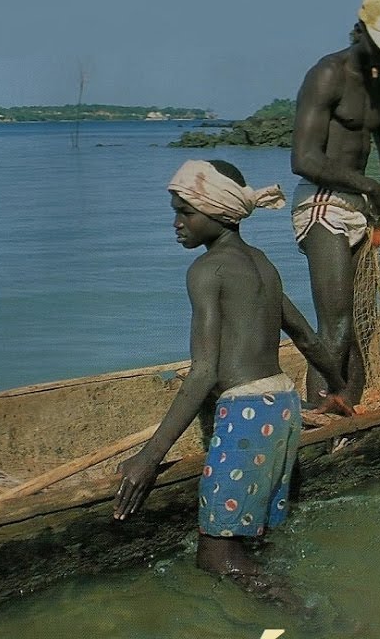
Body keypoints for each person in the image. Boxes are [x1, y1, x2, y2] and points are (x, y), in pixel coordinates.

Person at [113, 159, 347, 597]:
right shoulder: (262, 264)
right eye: (175, 211)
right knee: (256, 541)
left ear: (218, 212)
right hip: (282, 406)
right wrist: (336, 388)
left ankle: (311, 616)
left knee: (216, 556)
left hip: (245, 414)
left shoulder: (206, 271)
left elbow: (204, 372)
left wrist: (150, 457)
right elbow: (308, 339)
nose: (177, 223)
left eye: (186, 212)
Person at [289, 0, 380, 414]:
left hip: (361, 210)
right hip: (322, 206)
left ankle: (347, 412)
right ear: (361, 31)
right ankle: (316, 415)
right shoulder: (327, 75)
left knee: (362, 325)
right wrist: (368, 186)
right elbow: (303, 159)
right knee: (336, 325)